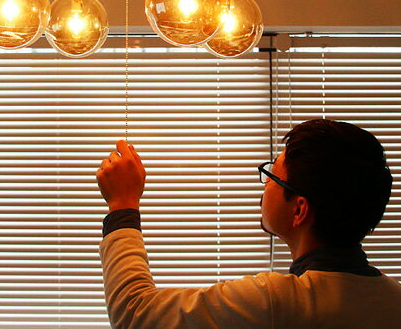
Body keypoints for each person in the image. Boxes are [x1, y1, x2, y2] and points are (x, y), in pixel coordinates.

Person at [96, 119, 401, 328]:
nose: (264, 187)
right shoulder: (393, 300)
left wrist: (122, 205)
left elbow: (135, 315)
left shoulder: (274, 303)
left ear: (299, 210)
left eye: (272, 176)